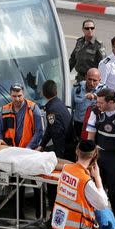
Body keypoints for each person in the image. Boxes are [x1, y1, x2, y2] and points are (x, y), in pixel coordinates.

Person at [51, 140, 109, 229]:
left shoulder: (67, 169)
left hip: (64, 226)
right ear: (94, 154)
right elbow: (102, 204)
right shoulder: (86, 180)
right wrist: (98, 178)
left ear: (77, 151)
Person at [0, 84, 43, 219]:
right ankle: (18, 216)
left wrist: (27, 149)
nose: (17, 99)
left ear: (24, 94)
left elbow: (39, 132)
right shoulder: (5, 110)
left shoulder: (33, 108)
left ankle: (40, 216)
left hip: (29, 153)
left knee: (35, 183)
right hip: (13, 154)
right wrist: (1, 143)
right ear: (11, 95)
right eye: (14, 96)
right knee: (16, 185)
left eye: (20, 96)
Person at [87, 88, 115, 229]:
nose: (98, 104)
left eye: (101, 102)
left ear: (111, 102)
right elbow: (90, 137)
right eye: (97, 102)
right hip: (100, 155)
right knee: (97, 191)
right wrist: (90, 159)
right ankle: (98, 225)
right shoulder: (96, 112)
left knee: (114, 192)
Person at [37, 80, 74, 219]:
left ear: (43, 93)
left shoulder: (51, 109)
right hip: (69, 147)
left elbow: (57, 134)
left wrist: (57, 157)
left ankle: (54, 213)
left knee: (54, 185)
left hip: (63, 150)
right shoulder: (59, 104)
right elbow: (50, 130)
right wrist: (42, 144)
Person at [72, 68, 105, 139]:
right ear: (85, 77)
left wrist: (95, 96)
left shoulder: (103, 89)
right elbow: (71, 107)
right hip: (79, 124)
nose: (91, 83)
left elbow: (108, 99)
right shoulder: (77, 88)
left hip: (94, 125)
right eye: (89, 79)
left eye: (95, 80)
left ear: (99, 80)